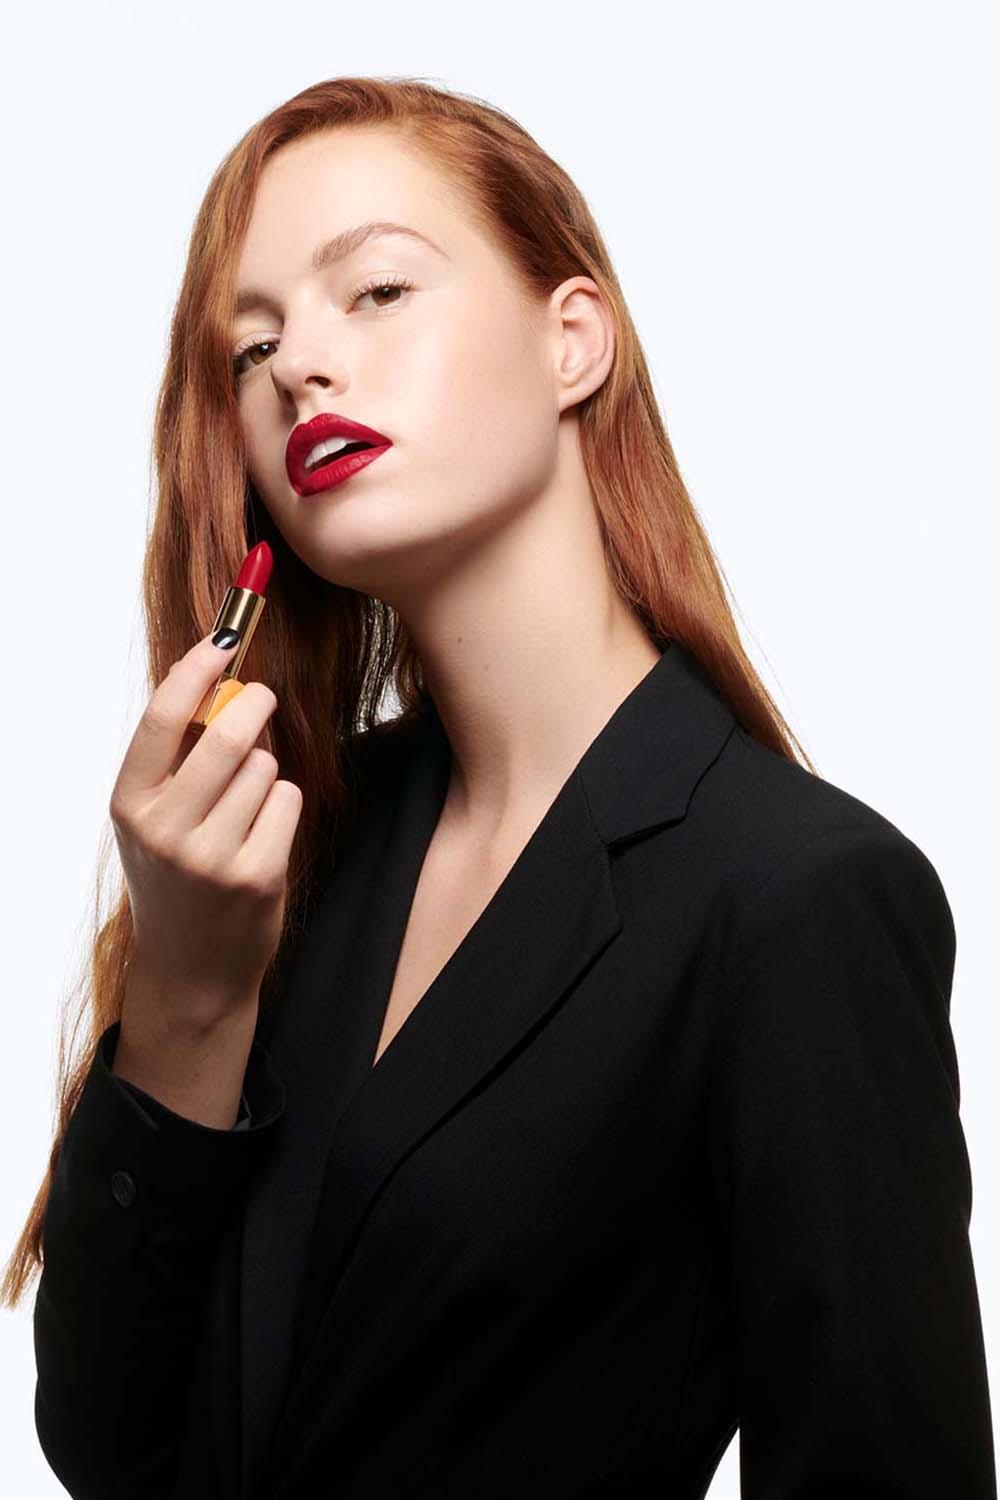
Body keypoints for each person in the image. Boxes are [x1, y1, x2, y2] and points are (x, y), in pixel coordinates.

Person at [9, 76, 996, 1499]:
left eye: (377, 291)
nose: (299, 369)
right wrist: (186, 995)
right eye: (252, 347)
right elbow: (114, 1449)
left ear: (572, 341)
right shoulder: (288, 854)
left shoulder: (793, 899)